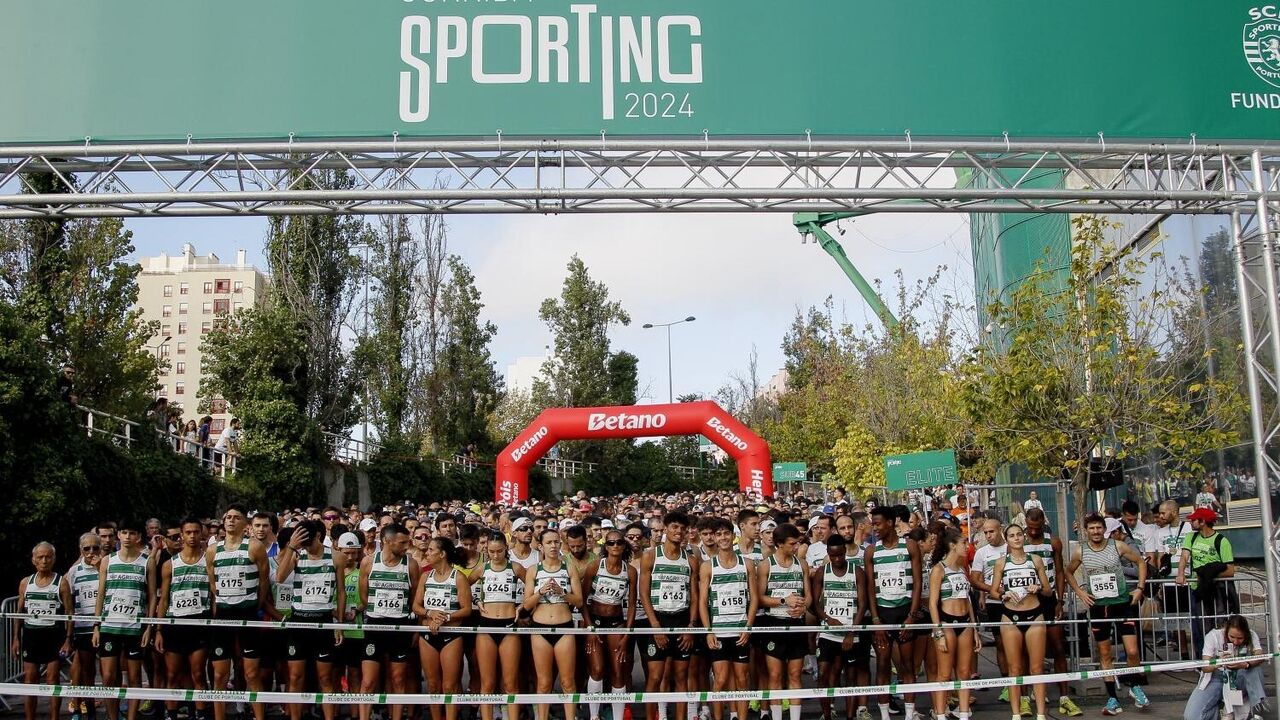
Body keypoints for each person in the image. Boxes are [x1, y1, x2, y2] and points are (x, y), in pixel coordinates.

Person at [1066, 514, 1150, 715]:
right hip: (1098, 606)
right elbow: (1068, 572)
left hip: (1121, 603)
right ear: (1086, 531)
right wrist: (1080, 592)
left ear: (1104, 529)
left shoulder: (1117, 546)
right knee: (1105, 653)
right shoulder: (1081, 551)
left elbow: (1141, 562)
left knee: (1132, 651)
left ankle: (1135, 686)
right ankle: (1113, 698)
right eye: (1092, 528)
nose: (1095, 531)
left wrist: (1139, 588)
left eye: (1098, 528)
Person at [206, 504, 270, 720]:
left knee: (252, 674)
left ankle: (258, 716)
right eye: (228, 517)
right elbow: (213, 586)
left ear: (245, 524)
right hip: (223, 616)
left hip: (248, 615)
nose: (231, 521)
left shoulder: (254, 547)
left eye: (236, 517)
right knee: (219, 675)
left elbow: (264, 582)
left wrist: (255, 605)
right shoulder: (213, 550)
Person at [276, 519, 345, 720]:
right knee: (296, 676)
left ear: (317, 536)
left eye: (308, 540)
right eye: (301, 541)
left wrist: (339, 625)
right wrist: (291, 547)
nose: (305, 545)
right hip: (299, 623)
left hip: (323, 623)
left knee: (325, 677)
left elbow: (341, 593)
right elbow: (280, 578)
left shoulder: (336, 557)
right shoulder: (297, 555)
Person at [638, 511, 699, 720]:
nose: (679, 532)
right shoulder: (651, 556)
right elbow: (643, 593)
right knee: (655, 677)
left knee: (681, 676)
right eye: (674, 527)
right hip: (658, 619)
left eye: (683, 529)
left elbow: (694, 596)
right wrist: (655, 625)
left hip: (681, 620)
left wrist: (691, 626)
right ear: (665, 529)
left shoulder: (690, 561)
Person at [358, 523, 421, 720]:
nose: (406, 546)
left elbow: (415, 600)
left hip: (400, 626)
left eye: (408, 542)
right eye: (402, 542)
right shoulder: (368, 562)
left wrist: (416, 629)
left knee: (398, 679)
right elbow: (364, 596)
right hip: (375, 626)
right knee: (368, 681)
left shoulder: (410, 564)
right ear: (387, 541)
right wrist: (378, 611)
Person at [865, 506, 922, 720]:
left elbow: (917, 583)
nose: (875, 528)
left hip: (904, 610)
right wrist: (876, 620)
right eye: (872, 524)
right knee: (882, 663)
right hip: (882, 612)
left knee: (907, 665)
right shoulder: (872, 551)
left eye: (878, 523)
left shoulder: (909, 546)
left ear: (890, 522)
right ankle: (884, 714)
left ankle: (909, 713)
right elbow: (870, 587)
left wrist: (911, 616)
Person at [990, 525, 1052, 720]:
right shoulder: (1001, 563)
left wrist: (1038, 587)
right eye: (1011, 536)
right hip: (1010, 615)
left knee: (1037, 668)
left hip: (1035, 614)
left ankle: (1041, 713)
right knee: (1014, 668)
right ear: (1006, 539)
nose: (1016, 538)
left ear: (1023, 537)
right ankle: (1016, 714)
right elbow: (993, 591)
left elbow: (1049, 591)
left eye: (1018, 535)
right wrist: (1004, 593)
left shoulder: (1036, 560)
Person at [1023, 509, 1081, 717]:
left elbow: (1059, 571)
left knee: (1058, 646)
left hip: (1048, 598)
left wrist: (1060, 600)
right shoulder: (1019, 540)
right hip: (1027, 599)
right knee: (1026, 650)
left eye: (1037, 528)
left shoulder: (1053, 542)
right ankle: (1027, 695)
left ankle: (1065, 697)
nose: (1033, 531)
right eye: (1030, 527)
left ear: (1043, 524)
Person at [523, 528, 584, 720]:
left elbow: (579, 602)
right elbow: (526, 605)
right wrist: (540, 592)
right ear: (540, 546)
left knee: (567, 681)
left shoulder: (569, 568)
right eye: (549, 543)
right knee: (543, 682)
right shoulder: (534, 570)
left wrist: (561, 592)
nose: (553, 546)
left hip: (564, 627)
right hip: (540, 628)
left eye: (556, 542)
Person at [94, 519, 152, 720]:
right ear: (118, 535)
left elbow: (152, 596)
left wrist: (149, 627)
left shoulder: (147, 561)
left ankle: (131, 717)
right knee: (109, 676)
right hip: (109, 626)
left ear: (139, 537)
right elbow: (101, 593)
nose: (128, 537)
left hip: (134, 628)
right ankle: (112, 716)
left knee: (134, 677)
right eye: (124, 532)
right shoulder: (107, 561)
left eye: (132, 533)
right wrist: (96, 626)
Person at [155, 518, 211, 720]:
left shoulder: (208, 560)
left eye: (196, 532)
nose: (193, 536)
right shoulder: (170, 564)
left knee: (198, 674)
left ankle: (200, 713)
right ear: (182, 535)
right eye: (188, 532)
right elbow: (163, 600)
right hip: (174, 624)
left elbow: (214, 594)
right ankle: (171, 714)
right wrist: (159, 630)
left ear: (201, 534)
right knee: (173, 675)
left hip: (199, 623)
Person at [415, 537, 472, 720]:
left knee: (449, 685)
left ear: (442, 554)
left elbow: (466, 609)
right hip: (428, 635)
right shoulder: (426, 576)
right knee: (432, 685)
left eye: (431, 550)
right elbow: (416, 606)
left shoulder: (458, 577)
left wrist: (446, 616)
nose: (427, 553)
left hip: (451, 635)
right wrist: (430, 612)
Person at [14, 541, 72, 720]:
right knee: (30, 679)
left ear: (54, 559)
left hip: (53, 635)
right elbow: (19, 612)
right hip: (31, 636)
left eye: (48, 557)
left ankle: (54, 717)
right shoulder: (26, 583)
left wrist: (68, 639)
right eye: (40, 557)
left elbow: (70, 613)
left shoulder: (61, 583)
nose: (44, 560)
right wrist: (16, 638)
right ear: (34, 560)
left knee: (52, 679)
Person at [583, 528, 637, 720]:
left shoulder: (630, 571)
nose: (615, 546)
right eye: (611, 543)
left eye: (619, 542)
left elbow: (631, 605)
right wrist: (589, 628)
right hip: (595, 622)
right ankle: (594, 716)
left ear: (624, 545)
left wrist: (627, 634)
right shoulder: (595, 566)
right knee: (597, 669)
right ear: (605, 546)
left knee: (618, 672)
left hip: (616, 623)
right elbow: (583, 600)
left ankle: (617, 717)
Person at [926, 529, 977, 720]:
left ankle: (964, 714)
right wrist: (938, 632)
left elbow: (968, 600)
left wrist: (974, 627)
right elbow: (932, 603)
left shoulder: (963, 568)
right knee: (944, 673)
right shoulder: (939, 569)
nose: (967, 546)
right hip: (947, 622)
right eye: (964, 542)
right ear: (952, 545)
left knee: (964, 672)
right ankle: (940, 714)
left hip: (965, 622)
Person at [475, 531, 523, 720]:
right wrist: (476, 600)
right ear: (486, 550)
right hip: (486, 626)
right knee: (487, 683)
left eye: (500, 551)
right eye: (492, 552)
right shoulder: (482, 569)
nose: (495, 556)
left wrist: (523, 607)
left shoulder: (516, 568)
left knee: (510, 683)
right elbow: (461, 586)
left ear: (506, 548)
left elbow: (534, 585)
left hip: (508, 624)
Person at [1182, 615, 1268, 720]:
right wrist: (1219, 662)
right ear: (1226, 630)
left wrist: (1245, 664)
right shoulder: (1213, 636)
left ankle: (1256, 711)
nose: (1235, 642)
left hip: (1240, 675)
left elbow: (1260, 656)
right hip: (1216, 677)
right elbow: (1205, 667)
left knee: (1255, 668)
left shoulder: (1252, 635)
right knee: (1191, 716)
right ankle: (1221, 710)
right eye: (1232, 637)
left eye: (1240, 638)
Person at [813, 532, 862, 720]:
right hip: (828, 633)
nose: (837, 559)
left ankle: (850, 716)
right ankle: (827, 714)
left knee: (850, 677)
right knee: (824, 673)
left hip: (850, 632)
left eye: (840, 554)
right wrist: (827, 618)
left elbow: (863, 604)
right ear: (827, 553)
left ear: (845, 552)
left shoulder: (856, 571)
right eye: (833, 555)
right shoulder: (822, 572)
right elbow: (815, 603)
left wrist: (851, 633)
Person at [1177, 507, 1236, 652]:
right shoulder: (1191, 537)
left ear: (1202, 522)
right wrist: (1181, 573)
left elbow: (1230, 570)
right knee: (1200, 625)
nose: (1191, 522)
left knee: (1221, 623)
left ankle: (1224, 655)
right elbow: (1184, 556)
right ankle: (1202, 659)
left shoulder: (1222, 541)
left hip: (1217, 590)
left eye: (1194, 520)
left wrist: (1207, 575)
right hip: (1198, 589)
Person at [68, 534, 105, 720]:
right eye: (87, 549)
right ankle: (87, 709)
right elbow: (67, 601)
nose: (91, 552)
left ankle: (114, 709)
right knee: (87, 671)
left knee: (109, 673)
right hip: (83, 627)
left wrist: (100, 568)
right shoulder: (74, 571)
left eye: (95, 548)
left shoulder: (107, 566)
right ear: (80, 550)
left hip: (106, 627)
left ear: (101, 548)